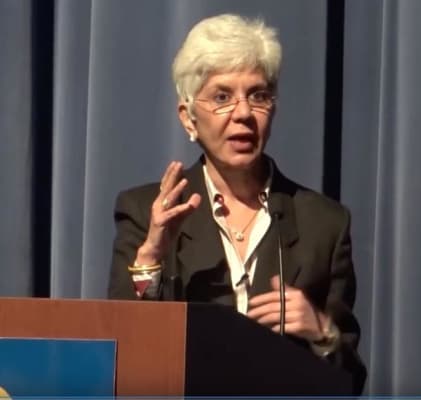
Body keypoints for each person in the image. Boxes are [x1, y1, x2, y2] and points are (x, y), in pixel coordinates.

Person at [108, 13, 366, 393]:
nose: (244, 113)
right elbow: (121, 349)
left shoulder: (324, 224)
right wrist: (150, 258)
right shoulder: (145, 211)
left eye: (258, 95)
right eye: (222, 97)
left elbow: (350, 382)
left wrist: (322, 333)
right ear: (188, 118)